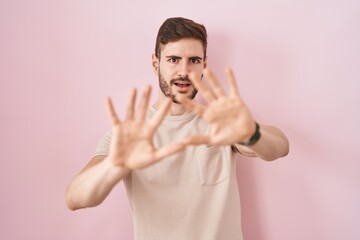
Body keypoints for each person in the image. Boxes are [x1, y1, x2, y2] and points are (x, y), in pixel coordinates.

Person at [66, 17, 289, 240]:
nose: (184, 71)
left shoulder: (222, 123)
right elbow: (75, 198)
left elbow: (280, 146)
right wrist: (115, 165)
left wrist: (252, 133)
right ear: (156, 63)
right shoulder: (129, 137)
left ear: (204, 65)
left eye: (193, 60)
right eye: (173, 59)